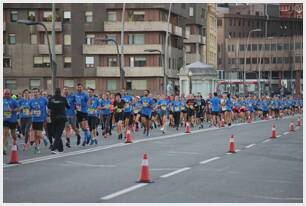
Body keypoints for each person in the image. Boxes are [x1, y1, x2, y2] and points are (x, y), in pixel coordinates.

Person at [48, 88, 69, 154]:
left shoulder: (51, 99)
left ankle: (60, 149)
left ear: (55, 92)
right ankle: (54, 148)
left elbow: (49, 107)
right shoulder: (63, 98)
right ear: (60, 92)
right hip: (62, 118)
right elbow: (68, 107)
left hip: (53, 118)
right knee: (58, 134)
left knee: (56, 134)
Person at [29, 88, 48, 154]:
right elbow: (30, 110)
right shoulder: (31, 101)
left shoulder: (43, 99)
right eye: (34, 92)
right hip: (34, 119)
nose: (35, 93)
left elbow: (49, 105)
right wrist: (30, 113)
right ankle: (37, 148)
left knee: (38, 133)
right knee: (35, 135)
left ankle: (44, 138)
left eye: (36, 92)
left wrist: (48, 114)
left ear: (39, 93)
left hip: (41, 119)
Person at [3, 89, 20, 155]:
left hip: (12, 120)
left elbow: (18, 109)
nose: (6, 95)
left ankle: (15, 142)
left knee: (13, 135)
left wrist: (12, 110)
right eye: (5, 94)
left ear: (10, 94)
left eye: (8, 94)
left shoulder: (14, 101)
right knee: (5, 134)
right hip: (5, 120)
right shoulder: (2, 100)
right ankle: (4, 148)